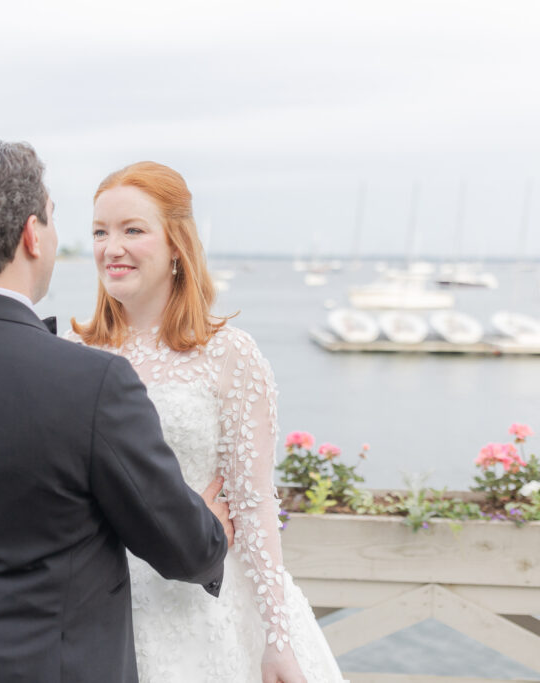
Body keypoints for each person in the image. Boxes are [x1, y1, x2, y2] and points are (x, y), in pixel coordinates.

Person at [0, 142, 232, 683]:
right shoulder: (91, 381)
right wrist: (211, 531)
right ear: (32, 234)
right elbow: (181, 548)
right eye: (54, 221)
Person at [68, 161, 347, 683]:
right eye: (100, 232)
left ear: (176, 244)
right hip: (105, 606)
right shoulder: (73, 353)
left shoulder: (230, 356)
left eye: (133, 230)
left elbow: (255, 500)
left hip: (212, 605)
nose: (112, 247)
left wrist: (277, 638)